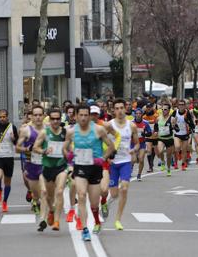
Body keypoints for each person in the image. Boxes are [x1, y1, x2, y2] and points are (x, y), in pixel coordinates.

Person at [62, 104, 116, 241]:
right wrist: (69, 158)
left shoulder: (99, 130)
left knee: (93, 203)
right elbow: (64, 147)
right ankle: (85, 228)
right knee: (81, 196)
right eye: (81, 115)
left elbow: (111, 146)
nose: (84, 118)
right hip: (80, 168)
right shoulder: (71, 132)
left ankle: (97, 221)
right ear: (75, 116)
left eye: (86, 115)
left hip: (95, 169)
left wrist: (103, 158)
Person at [106, 99, 140, 231]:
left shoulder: (131, 126)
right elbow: (101, 140)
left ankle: (118, 220)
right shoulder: (109, 125)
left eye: (122, 108)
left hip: (125, 161)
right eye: (117, 108)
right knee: (114, 194)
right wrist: (106, 154)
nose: (120, 110)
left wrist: (134, 149)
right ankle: (107, 204)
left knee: (124, 189)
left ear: (125, 109)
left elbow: (136, 143)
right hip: (112, 162)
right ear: (113, 111)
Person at [33, 108, 69, 232]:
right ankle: (46, 216)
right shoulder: (44, 133)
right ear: (49, 119)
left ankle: (57, 221)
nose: (55, 121)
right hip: (47, 167)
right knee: (45, 194)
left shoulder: (66, 133)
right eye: (52, 119)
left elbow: (71, 148)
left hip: (61, 167)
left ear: (61, 119)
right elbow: (35, 147)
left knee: (59, 192)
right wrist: (44, 151)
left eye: (57, 119)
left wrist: (68, 154)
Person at [16, 105, 46, 216]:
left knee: (44, 190)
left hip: (45, 164)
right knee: (35, 192)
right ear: (31, 117)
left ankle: (44, 218)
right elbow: (17, 148)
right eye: (35, 115)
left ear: (44, 116)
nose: (38, 117)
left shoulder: (48, 129)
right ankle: (35, 201)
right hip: (31, 163)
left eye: (40, 115)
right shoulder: (26, 130)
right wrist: (27, 149)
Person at [0, 109, 18, 213]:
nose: (2, 118)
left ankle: (5, 202)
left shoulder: (12, 127)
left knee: (7, 182)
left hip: (9, 157)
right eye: (0, 116)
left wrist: (13, 139)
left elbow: (17, 143)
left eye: (4, 116)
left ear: (7, 116)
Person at [155, 103, 175, 177]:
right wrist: (156, 132)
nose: (163, 111)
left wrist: (173, 127)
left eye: (165, 109)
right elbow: (156, 126)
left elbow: (176, 128)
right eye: (162, 109)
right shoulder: (158, 118)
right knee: (160, 151)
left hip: (169, 139)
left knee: (169, 156)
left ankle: (169, 169)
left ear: (169, 110)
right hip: (161, 138)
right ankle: (163, 162)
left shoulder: (172, 119)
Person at [132, 108, 152, 181]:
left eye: (139, 113)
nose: (138, 115)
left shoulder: (145, 123)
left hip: (142, 143)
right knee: (133, 160)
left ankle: (139, 175)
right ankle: (130, 170)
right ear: (134, 114)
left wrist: (145, 133)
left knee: (141, 159)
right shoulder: (131, 123)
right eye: (136, 113)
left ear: (142, 114)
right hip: (133, 144)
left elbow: (150, 133)